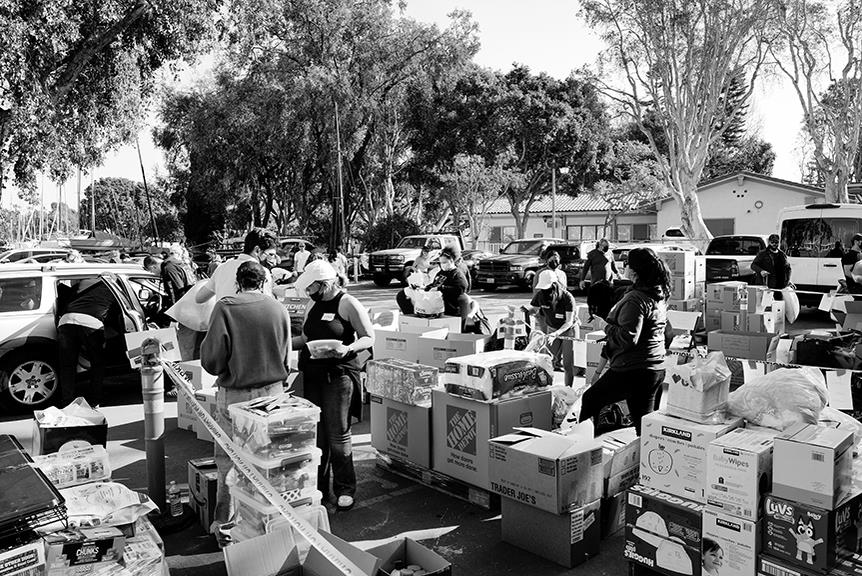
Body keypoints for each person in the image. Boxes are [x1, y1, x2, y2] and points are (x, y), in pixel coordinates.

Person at [201, 261, 292, 545]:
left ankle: (226, 527)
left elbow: (212, 361)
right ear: (263, 282)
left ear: (238, 282)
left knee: (230, 462)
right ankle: (268, 524)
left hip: (236, 396)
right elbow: (286, 356)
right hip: (273, 394)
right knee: (269, 460)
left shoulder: (226, 308)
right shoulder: (278, 308)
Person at [292, 260, 374, 511]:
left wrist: (347, 348)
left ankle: (345, 489)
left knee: (338, 434)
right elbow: (306, 338)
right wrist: (281, 343)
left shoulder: (347, 303)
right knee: (317, 435)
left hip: (338, 375)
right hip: (313, 374)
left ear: (325, 284)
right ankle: (318, 487)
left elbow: (368, 337)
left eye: (312, 287)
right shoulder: (312, 304)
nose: (309, 292)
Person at [579, 247, 670, 435]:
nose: (624, 267)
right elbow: (668, 332)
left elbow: (627, 338)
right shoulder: (657, 294)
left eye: (627, 264)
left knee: (590, 400)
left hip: (633, 370)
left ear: (635, 271)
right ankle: (642, 454)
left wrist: (604, 325)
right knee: (644, 427)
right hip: (654, 369)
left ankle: (584, 446)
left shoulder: (636, 299)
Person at [57, 278, 121, 407]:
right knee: (97, 363)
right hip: (91, 323)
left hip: (66, 320)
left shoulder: (83, 283)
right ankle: (94, 400)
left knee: (68, 365)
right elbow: (116, 314)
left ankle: (67, 401)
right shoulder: (113, 288)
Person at [196, 228, 278, 306]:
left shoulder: (222, 268)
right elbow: (267, 307)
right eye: (270, 254)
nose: (272, 260)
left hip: (222, 314)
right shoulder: (262, 272)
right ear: (257, 250)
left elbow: (199, 298)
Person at [529, 269, 577, 387]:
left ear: (554, 285)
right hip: (552, 328)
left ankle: (568, 389)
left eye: (547, 288)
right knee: (546, 360)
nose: (545, 291)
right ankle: (546, 388)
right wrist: (525, 311)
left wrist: (556, 334)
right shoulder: (540, 295)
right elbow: (534, 310)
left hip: (568, 330)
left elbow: (569, 321)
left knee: (567, 364)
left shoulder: (567, 297)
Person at [424, 246, 472, 330]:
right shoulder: (441, 273)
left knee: (455, 329)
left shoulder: (457, 274)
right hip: (443, 307)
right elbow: (435, 284)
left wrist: (441, 288)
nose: (443, 265)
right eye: (441, 263)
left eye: (445, 262)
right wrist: (427, 288)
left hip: (455, 307)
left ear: (452, 261)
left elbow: (460, 288)